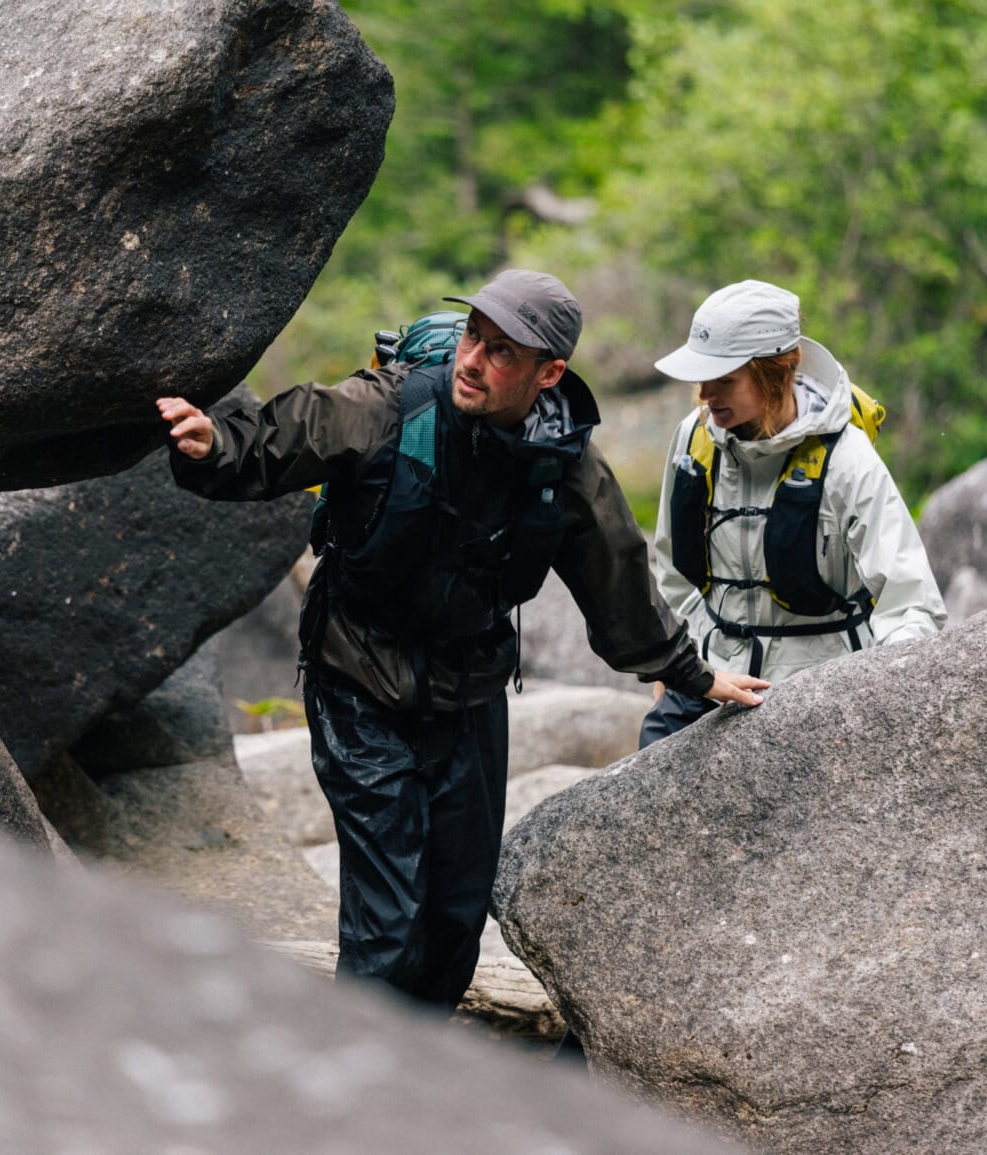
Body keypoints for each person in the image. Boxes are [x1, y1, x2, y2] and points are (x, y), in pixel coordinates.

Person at [157, 269, 769, 1014]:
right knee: (388, 931)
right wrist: (212, 441)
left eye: (501, 351)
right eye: (473, 336)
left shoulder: (562, 460)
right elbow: (285, 435)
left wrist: (692, 675)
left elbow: (616, 578)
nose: (473, 360)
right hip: (358, 682)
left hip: (470, 692)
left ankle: (423, 1082)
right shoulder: (391, 406)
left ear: (549, 374)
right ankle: (355, 1099)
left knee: (454, 918)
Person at [640, 278, 946, 748]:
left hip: (814, 691)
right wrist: (679, 666)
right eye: (703, 377)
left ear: (776, 370)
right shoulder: (693, 438)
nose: (705, 394)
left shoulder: (847, 459)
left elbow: (910, 602)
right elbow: (671, 568)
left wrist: (881, 706)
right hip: (710, 677)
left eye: (724, 379)